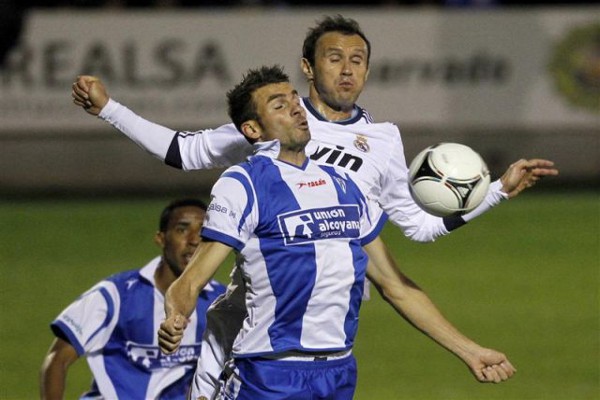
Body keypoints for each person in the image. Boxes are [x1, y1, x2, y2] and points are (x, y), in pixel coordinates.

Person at [71, 15, 554, 398]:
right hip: (261, 320)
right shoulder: (269, 123)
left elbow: (417, 231)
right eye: (334, 58)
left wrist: (495, 192)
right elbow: (182, 151)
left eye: (358, 60)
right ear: (308, 67)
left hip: (332, 331)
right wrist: (109, 109)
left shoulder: (379, 144)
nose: (347, 70)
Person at [157, 65, 515, 400]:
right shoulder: (244, 184)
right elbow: (191, 281)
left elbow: (394, 286)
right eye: (280, 105)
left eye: (295, 100)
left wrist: (470, 350)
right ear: (252, 129)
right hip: (270, 372)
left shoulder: (343, 185)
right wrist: (176, 317)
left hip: (337, 372)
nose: (297, 109)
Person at [39, 199, 226, 399]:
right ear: (161, 239)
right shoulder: (116, 295)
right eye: (182, 230)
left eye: (202, 231)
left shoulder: (221, 302)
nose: (194, 240)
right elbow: (57, 360)